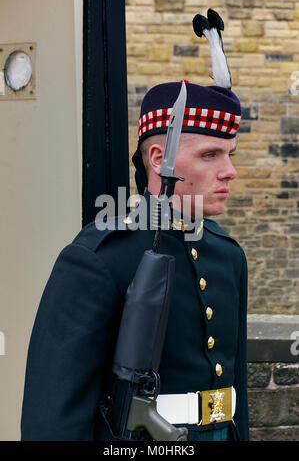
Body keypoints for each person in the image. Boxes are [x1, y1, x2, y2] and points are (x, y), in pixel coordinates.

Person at [21, 80, 249, 442]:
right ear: (160, 160)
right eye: (210, 155)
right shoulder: (100, 258)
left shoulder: (227, 254)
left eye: (229, 154)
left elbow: (236, 392)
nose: (229, 171)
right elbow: (53, 416)